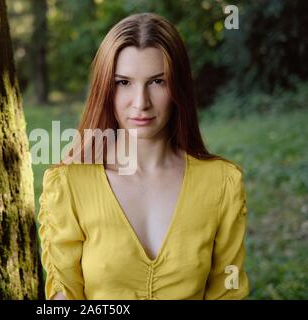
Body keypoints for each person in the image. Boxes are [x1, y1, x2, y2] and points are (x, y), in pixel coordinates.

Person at [37, 12, 249, 300]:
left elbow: (228, 293)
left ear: (178, 87)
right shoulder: (68, 185)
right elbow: (64, 296)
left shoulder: (222, 183)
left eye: (158, 81)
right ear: (105, 88)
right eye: (123, 82)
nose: (141, 103)